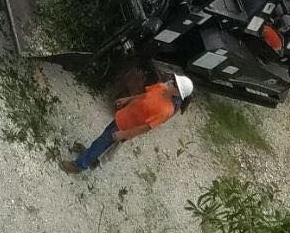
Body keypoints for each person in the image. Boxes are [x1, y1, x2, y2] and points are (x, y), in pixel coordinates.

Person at [60, 71, 194, 173]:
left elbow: (146, 127)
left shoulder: (166, 110)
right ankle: (89, 155)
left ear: (177, 93)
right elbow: (145, 95)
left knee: (101, 143)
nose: (170, 81)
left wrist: (123, 134)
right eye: (173, 79)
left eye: (174, 83)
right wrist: (128, 99)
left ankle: (79, 165)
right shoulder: (162, 87)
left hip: (124, 127)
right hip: (122, 116)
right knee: (102, 139)